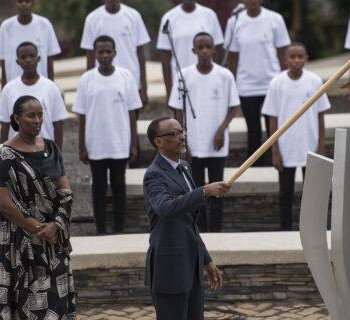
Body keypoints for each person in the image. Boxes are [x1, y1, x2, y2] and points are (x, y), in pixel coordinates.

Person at [0, 95, 75, 319]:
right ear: (17, 119)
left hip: (52, 241)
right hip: (18, 242)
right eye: (30, 115)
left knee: (55, 300)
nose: (37, 120)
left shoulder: (52, 148)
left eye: (40, 115)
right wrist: (39, 229)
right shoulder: (5, 154)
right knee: (25, 302)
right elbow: (4, 204)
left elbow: (65, 192)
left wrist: (55, 225)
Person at [143, 117, 229, 319]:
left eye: (182, 131)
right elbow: (165, 208)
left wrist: (206, 260)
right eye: (173, 133)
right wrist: (205, 191)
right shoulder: (154, 175)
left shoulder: (185, 167)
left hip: (192, 265)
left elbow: (189, 224)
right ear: (159, 141)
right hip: (170, 267)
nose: (181, 136)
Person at [168, 32, 240, 232]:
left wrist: (222, 129)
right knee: (197, 192)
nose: (205, 51)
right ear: (193, 50)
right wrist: (183, 140)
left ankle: (216, 231)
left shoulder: (225, 75)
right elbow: (177, 109)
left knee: (218, 191)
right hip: (194, 145)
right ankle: (199, 231)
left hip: (217, 145)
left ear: (215, 50)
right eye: (200, 47)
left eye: (208, 47)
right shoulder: (185, 74)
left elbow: (233, 106)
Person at [73, 35, 142, 234]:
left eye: (108, 51)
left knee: (119, 185)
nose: (104, 55)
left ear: (114, 53)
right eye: (100, 52)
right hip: (96, 144)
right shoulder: (87, 79)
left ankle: (119, 229)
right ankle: (101, 229)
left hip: (120, 143)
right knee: (99, 187)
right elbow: (82, 115)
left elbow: (132, 113)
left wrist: (133, 144)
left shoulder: (125, 76)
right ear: (95, 54)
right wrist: (82, 146)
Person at [261, 43, 330, 230]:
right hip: (286, 147)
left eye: (300, 56)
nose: (297, 60)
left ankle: (313, 228)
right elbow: (272, 118)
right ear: (285, 60)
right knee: (286, 192)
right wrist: (274, 150)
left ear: (307, 58)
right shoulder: (277, 83)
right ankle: (285, 227)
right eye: (293, 57)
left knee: (312, 192)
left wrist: (321, 145)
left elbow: (320, 114)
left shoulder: (314, 81)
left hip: (310, 143)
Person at [226, 0, 290, 163]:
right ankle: (254, 162)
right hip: (246, 85)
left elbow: (282, 52)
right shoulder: (234, 21)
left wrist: (283, 78)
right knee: (252, 127)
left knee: (273, 126)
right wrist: (234, 82)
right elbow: (232, 55)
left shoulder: (274, 19)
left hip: (271, 82)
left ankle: (275, 159)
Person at [81, 0, 150, 106]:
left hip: (131, 83)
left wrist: (144, 89)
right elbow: (90, 57)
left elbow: (141, 55)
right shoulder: (92, 19)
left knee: (130, 124)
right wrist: (89, 86)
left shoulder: (133, 16)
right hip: (101, 83)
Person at [157, 0, 224, 100]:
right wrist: (168, 90)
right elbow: (165, 57)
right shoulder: (168, 18)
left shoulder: (209, 15)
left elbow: (218, 51)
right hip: (181, 82)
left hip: (207, 79)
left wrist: (217, 79)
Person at [0, 42, 68, 148]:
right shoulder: (9, 89)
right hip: (17, 152)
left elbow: (58, 124)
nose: (28, 60)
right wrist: (4, 152)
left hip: (45, 151)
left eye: (32, 56)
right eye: (23, 57)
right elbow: (5, 124)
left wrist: (57, 155)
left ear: (38, 58)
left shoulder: (51, 87)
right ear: (17, 61)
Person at [0, 0, 61, 86]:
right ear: (15, 3)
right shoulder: (6, 27)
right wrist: (4, 89)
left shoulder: (45, 25)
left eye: (27, 1)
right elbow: (3, 63)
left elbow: (50, 60)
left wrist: (51, 86)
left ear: (33, 3)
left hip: (41, 86)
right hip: (15, 86)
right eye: (20, 1)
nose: (23, 4)